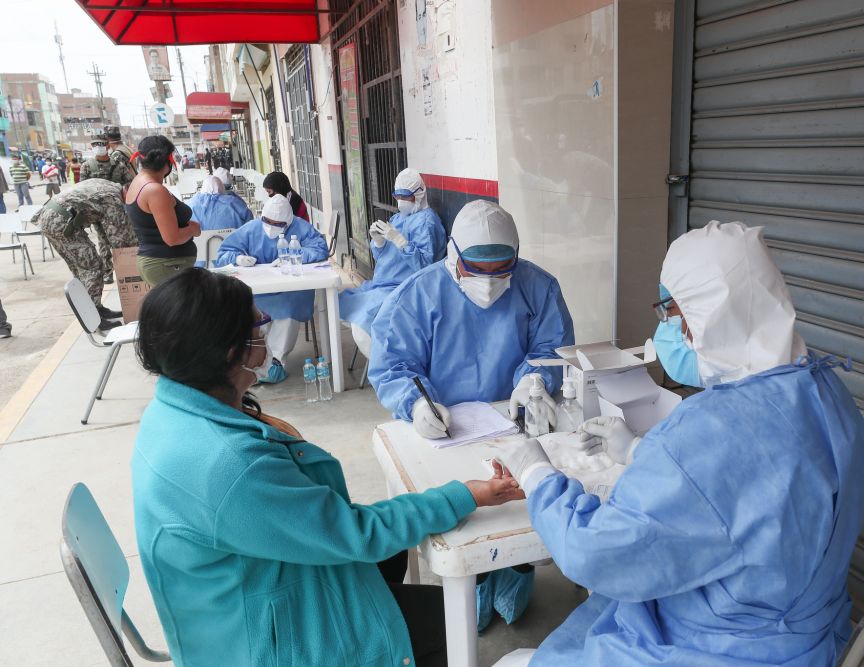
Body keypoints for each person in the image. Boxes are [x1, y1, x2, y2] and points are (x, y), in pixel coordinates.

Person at [493, 220, 864, 666]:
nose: (672, 330)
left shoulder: (716, 430)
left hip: (720, 646)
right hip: (805, 635)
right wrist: (637, 451)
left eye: (673, 313)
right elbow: (753, 501)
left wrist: (538, 475)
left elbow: (594, 553)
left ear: (708, 316)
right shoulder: (826, 392)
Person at [131, 268, 523, 667]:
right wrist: (466, 495)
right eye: (257, 327)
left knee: (397, 550)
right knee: (449, 614)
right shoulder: (230, 466)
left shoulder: (172, 409)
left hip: (234, 596)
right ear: (228, 352)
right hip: (254, 641)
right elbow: (356, 533)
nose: (265, 334)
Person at [368, 199, 574, 631]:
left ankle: (516, 570)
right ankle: (476, 576)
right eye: (476, 269)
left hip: (514, 421)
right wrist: (416, 403)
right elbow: (393, 364)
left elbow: (550, 349)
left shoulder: (539, 286)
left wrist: (533, 380)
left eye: (501, 269)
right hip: (446, 430)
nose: (489, 282)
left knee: (520, 504)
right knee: (462, 518)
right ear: (453, 255)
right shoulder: (419, 293)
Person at [215, 194, 328, 383]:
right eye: (267, 221)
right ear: (262, 217)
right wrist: (237, 259)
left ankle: (276, 361)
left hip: (292, 290)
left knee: (288, 311)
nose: (271, 226)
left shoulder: (301, 228)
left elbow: (320, 249)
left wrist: (296, 253)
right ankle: (254, 362)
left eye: (278, 223)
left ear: (289, 221)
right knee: (251, 314)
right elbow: (224, 253)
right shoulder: (251, 229)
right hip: (259, 291)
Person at [339, 168, 446, 336]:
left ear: (419, 194)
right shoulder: (398, 218)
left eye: (406, 197)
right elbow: (382, 258)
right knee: (344, 302)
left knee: (364, 320)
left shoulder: (426, 222)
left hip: (405, 288)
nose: (401, 201)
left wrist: (401, 242)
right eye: (398, 196)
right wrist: (379, 242)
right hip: (383, 284)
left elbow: (426, 267)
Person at [34, 179, 140, 330]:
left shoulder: (111, 187)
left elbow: (103, 229)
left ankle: (96, 309)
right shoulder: (113, 199)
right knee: (93, 267)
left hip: (51, 217)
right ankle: (92, 316)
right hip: (60, 222)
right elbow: (120, 240)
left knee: (80, 268)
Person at [125, 135, 201, 286]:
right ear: (166, 161)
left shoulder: (138, 182)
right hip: (166, 264)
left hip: (160, 262)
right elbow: (172, 238)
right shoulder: (154, 190)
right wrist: (193, 229)